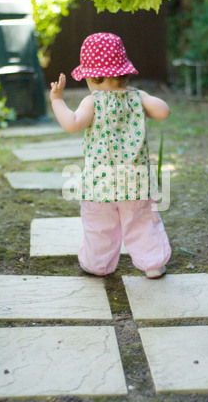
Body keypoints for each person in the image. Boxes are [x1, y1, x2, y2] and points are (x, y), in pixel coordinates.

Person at [50, 32, 171, 278]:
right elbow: (163, 112)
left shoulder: (92, 101)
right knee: (142, 223)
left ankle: (98, 265)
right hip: (135, 182)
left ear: (91, 77)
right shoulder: (138, 97)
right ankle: (153, 264)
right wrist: (146, 100)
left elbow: (72, 124)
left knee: (99, 228)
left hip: (99, 184)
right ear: (123, 71)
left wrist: (57, 100)